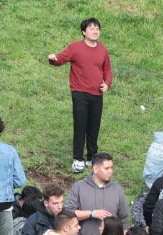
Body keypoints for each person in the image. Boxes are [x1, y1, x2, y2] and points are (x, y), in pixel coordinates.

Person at [47, 18, 112, 172]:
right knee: (80, 125)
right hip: (80, 93)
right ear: (84, 32)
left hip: (97, 94)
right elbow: (61, 58)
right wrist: (53, 59)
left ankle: (92, 156)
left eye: (97, 28)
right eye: (91, 28)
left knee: (94, 125)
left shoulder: (102, 49)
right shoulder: (75, 47)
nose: (95, 31)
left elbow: (107, 70)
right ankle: (78, 158)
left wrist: (107, 84)